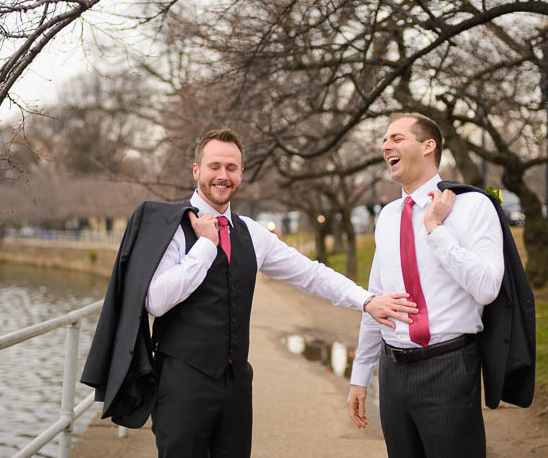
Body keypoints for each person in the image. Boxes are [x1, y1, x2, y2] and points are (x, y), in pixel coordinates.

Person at [81, 128, 417, 458]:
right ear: (196, 170)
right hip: (181, 383)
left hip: (237, 384)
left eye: (231, 168)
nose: (222, 176)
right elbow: (156, 300)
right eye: (214, 166)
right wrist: (205, 247)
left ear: (241, 173)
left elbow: (311, 274)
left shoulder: (253, 233)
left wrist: (366, 300)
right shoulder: (172, 228)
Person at [346, 114, 505, 458]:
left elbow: (488, 287)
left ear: (428, 146)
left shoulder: (472, 205)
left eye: (397, 138)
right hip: (392, 373)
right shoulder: (387, 216)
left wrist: (435, 229)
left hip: (447, 369)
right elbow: (377, 300)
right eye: (385, 140)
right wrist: (361, 375)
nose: (386, 146)